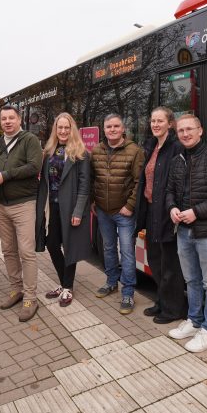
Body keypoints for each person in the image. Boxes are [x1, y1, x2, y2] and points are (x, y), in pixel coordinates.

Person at [165, 114, 207, 353]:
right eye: (181, 130)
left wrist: (196, 212)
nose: (185, 134)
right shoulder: (177, 161)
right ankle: (194, 321)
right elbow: (169, 191)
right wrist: (172, 208)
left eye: (189, 129)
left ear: (200, 131)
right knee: (191, 280)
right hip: (183, 231)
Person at [0, 104, 43, 322]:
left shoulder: (29, 140)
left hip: (23, 204)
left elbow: (34, 167)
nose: (8, 121)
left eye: (11, 118)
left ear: (19, 120)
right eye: (4, 118)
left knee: (26, 252)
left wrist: (6, 175)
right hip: (1, 205)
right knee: (8, 250)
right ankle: (16, 290)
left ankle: (30, 297)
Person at [134, 107, 186, 324]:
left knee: (170, 264)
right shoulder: (152, 146)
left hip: (167, 212)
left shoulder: (176, 148)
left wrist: (173, 207)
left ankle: (173, 309)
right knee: (155, 260)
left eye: (160, 121)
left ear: (170, 124)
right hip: (150, 210)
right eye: (153, 121)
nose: (155, 124)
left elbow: (179, 183)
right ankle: (162, 301)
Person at [36, 113, 93, 308]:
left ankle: (67, 287)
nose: (63, 131)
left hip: (71, 206)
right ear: (55, 129)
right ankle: (64, 283)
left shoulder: (81, 152)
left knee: (70, 247)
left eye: (66, 128)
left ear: (72, 129)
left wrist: (78, 212)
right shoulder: (49, 151)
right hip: (53, 205)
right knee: (52, 244)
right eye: (59, 127)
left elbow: (85, 185)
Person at [90, 114, 144, 315]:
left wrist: (130, 206)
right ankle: (111, 281)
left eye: (115, 126)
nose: (112, 130)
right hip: (103, 211)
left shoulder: (134, 151)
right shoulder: (96, 150)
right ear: (104, 129)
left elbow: (139, 182)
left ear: (123, 129)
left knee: (127, 253)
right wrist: (93, 201)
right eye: (108, 127)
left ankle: (128, 292)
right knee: (108, 248)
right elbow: (92, 179)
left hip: (124, 212)